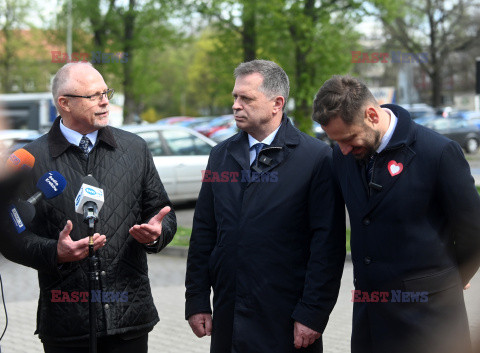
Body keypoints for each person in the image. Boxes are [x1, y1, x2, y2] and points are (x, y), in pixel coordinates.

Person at [0, 62, 176, 353]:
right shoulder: (27, 159)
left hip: (128, 319)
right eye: (93, 95)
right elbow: (10, 239)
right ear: (64, 103)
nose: (105, 101)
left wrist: (157, 234)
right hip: (67, 324)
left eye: (106, 92)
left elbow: (161, 212)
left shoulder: (134, 148)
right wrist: (54, 252)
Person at [185, 60, 346, 352]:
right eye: (235, 96)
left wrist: (313, 313)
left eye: (246, 98)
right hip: (229, 315)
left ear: (277, 103)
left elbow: (328, 246)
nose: (236, 105)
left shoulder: (316, 158)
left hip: (286, 320)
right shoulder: (221, 155)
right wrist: (196, 299)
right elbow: (204, 231)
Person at [312, 75, 480, 353]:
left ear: (372, 114)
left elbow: (474, 229)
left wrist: (451, 278)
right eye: (336, 142)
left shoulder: (438, 152)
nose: (342, 150)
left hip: (431, 323)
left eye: (350, 138)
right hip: (369, 324)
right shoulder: (341, 156)